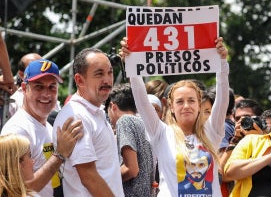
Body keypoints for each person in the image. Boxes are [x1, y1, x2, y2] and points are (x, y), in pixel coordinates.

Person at [121, 36, 229, 196]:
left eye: (191, 100)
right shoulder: (161, 132)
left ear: (199, 105)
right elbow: (142, 101)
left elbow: (222, 98)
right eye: (180, 102)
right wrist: (131, 62)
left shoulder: (211, 132)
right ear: (171, 107)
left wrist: (221, 62)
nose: (186, 106)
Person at [1, 59, 83, 197]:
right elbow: (18, 190)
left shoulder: (47, 126)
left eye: (52, 87)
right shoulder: (17, 130)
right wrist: (60, 155)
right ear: (24, 88)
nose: (46, 94)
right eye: (39, 87)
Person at [53, 48, 124, 197]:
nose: (107, 80)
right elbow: (88, 176)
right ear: (79, 80)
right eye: (99, 74)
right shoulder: (76, 116)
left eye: (110, 72)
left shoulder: (93, 111)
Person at [107, 83, 154, 196]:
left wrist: (104, 179)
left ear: (113, 107)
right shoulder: (142, 122)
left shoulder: (124, 121)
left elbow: (131, 169)